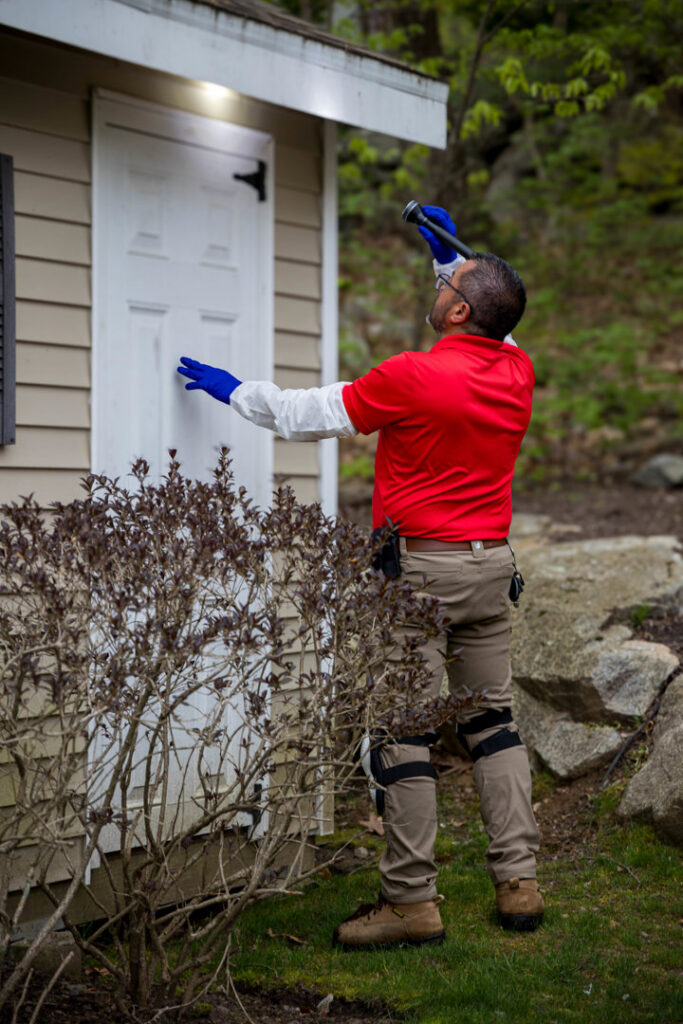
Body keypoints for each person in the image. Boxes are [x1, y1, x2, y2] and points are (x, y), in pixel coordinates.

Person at [177, 206, 543, 950]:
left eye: (448, 282)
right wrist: (459, 255)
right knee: (492, 725)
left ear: (459, 310)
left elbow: (302, 414)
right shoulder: (514, 369)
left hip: (420, 575)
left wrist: (231, 389)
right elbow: (500, 321)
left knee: (404, 733)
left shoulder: (414, 375)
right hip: (489, 566)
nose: (436, 286)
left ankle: (411, 901)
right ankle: (518, 883)